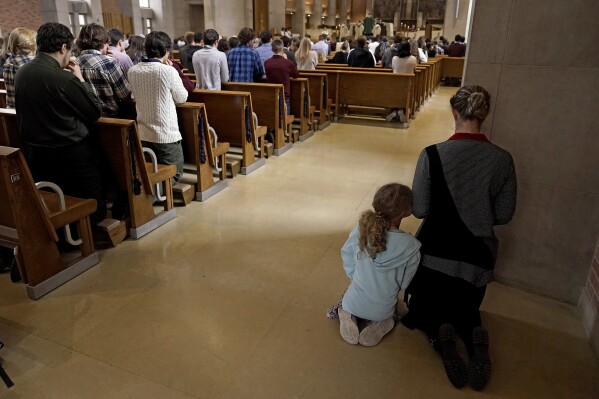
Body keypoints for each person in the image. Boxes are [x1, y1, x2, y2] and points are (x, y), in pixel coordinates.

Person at [402, 85, 517, 391]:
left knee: (425, 312)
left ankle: (442, 338)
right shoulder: (502, 159)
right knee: (467, 309)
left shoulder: (432, 155)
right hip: (476, 257)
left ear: (454, 113)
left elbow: (421, 208)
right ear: (484, 115)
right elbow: (504, 214)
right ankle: (474, 336)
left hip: (435, 252)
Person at [14, 22, 106, 227]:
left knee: (56, 197)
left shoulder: (22, 72)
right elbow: (94, 112)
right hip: (69, 153)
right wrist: (80, 79)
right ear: (64, 48)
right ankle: (82, 233)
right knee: (94, 205)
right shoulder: (62, 78)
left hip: (36, 152)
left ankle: (65, 232)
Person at [336, 183, 421, 346]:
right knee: (389, 311)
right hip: (384, 309)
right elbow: (405, 282)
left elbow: (346, 254)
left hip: (353, 302)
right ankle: (381, 323)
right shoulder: (412, 246)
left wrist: (355, 276)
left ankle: (347, 316)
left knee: (347, 298)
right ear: (405, 212)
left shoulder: (361, 230)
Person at [128, 31, 188, 183]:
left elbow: (133, 96)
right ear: (166, 51)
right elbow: (182, 98)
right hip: (166, 133)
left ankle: (147, 194)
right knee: (174, 173)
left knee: (152, 172)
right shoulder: (168, 71)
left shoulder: (133, 70)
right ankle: (148, 198)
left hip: (144, 131)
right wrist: (173, 71)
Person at [77, 23, 134, 118]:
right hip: (113, 118)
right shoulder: (109, 62)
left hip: (86, 118)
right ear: (103, 42)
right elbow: (125, 96)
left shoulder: (75, 62)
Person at [2, 27, 36, 108]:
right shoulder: (32, 63)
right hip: (30, 114)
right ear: (31, 44)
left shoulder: (8, 62)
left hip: (12, 111)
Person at [264, 39, 299, 115]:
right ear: (282, 49)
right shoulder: (287, 63)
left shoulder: (267, 62)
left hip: (272, 93)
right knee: (284, 118)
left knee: (274, 116)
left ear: (272, 49)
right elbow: (296, 75)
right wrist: (286, 59)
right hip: (284, 94)